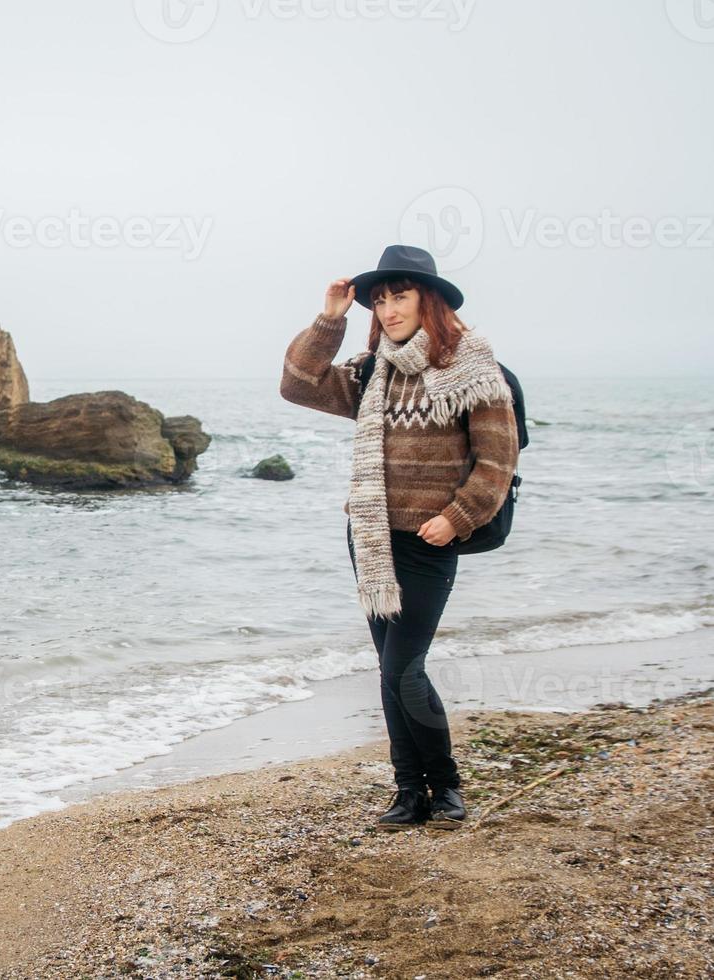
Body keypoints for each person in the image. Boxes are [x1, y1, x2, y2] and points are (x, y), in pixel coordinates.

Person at [279, 244, 519, 831]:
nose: (388, 309)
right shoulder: (368, 373)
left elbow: (497, 459)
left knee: (403, 667)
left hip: (430, 541)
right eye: (379, 300)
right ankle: (410, 793)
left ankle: (448, 788)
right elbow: (297, 383)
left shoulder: (474, 367)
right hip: (370, 537)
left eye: (399, 296)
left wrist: (459, 517)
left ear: (427, 299)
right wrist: (330, 317)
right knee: (390, 665)